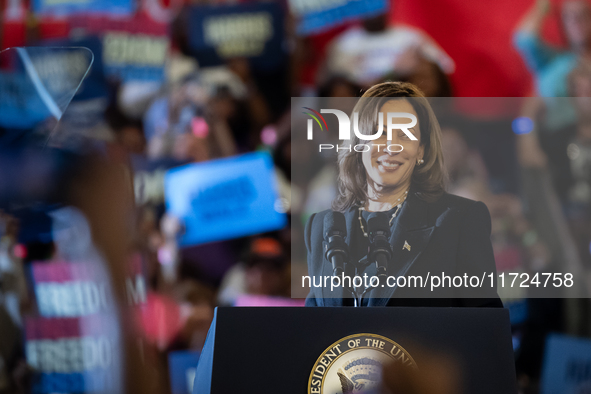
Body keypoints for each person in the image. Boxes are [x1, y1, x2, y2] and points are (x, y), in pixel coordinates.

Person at [304, 82, 502, 308]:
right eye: (380, 132)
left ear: (421, 150)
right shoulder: (320, 227)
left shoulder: (460, 220)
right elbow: (313, 328)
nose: (392, 146)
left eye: (405, 135)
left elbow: (485, 328)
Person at [514, 0, 591, 131]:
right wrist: (542, 7)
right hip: (556, 136)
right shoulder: (552, 61)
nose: (576, 21)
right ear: (562, 23)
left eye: (583, 14)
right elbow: (525, 39)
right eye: (569, 16)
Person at [323, 12, 454, 88]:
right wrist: (394, 73)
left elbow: (444, 68)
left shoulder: (411, 38)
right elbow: (337, 87)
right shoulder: (344, 44)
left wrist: (418, 68)